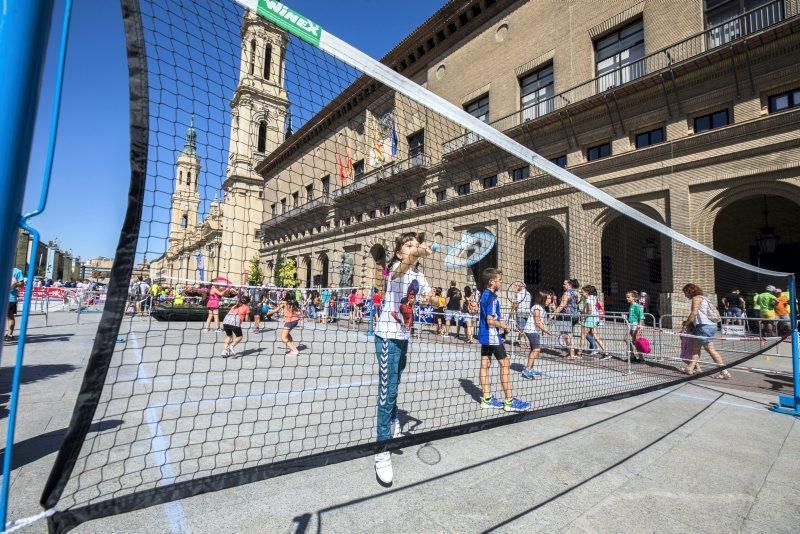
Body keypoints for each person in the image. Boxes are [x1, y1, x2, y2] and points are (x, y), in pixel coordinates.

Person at [373, 232, 433, 485]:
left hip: (404, 336)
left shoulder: (419, 274)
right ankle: (381, 450)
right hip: (387, 336)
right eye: (409, 245)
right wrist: (418, 252)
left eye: (416, 245)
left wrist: (433, 297)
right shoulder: (398, 267)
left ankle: (395, 417)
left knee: (395, 386)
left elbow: (427, 294)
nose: (414, 248)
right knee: (386, 393)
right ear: (399, 252)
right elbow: (399, 273)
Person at [478, 267, 531, 413]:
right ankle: (509, 401)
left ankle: (486, 399)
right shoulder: (492, 297)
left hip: (484, 335)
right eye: (499, 280)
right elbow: (490, 320)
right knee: (505, 364)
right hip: (491, 335)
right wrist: (503, 326)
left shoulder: (484, 295)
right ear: (492, 281)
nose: (501, 282)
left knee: (485, 365)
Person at [682, 283, 729, 379]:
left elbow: (694, 313)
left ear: (690, 291)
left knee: (710, 350)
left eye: (685, 292)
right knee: (696, 349)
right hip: (707, 326)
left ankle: (724, 371)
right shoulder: (704, 298)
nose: (685, 295)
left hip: (704, 327)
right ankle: (690, 368)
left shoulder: (696, 298)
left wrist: (686, 324)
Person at [521, 291, 554, 379]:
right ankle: (527, 370)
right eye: (548, 298)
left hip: (534, 331)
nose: (550, 300)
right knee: (536, 350)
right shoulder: (537, 307)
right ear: (542, 299)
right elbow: (537, 322)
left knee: (533, 350)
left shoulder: (541, 308)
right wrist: (548, 331)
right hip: (531, 330)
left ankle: (531, 369)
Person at [265, 290, 301, 355]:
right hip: (295, 321)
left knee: (283, 338)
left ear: (287, 295)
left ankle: (294, 350)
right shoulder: (295, 302)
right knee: (287, 334)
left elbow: (276, 310)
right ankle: (292, 347)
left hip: (290, 321)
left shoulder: (284, 302)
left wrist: (268, 313)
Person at [581, 285, 610, 359]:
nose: (582, 293)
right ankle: (606, 353)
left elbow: (590, 311)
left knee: (583, 336)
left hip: (590, 319)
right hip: (595, 318)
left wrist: (584, 317)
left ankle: (579, 353)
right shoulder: (594, 298)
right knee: (596, 337)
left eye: (583, 291)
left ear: (587, 292)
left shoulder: (588, 299)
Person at [553, 279, 579, 359]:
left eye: (565, 284)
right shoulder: (575, 292)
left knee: (566, 335)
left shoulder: (567, 293)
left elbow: (562, 305)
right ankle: (571, 352)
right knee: (569, 334)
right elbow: (576, 303)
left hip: (567, 315)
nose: (563, 285)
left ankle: (571, 354)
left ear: (569, 285)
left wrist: (553, 314)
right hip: (575, 315)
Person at [626, 290, 644, 362]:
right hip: (631, 324)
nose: (627, 298)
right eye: (626, 297)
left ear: (633, 297)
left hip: (635, 324)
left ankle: (641, 359)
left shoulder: (637, 306)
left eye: (628, 297)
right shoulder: (631, 305)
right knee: (627, 339)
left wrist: (639, 326)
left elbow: (641, 317)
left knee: (636, 342)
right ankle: (633, 356)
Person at [6, 267, 23, 341]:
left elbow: (22, 283)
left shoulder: (17, 271)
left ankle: (9, 334)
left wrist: (14, 284)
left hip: (11, 298)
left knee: (10, 316)